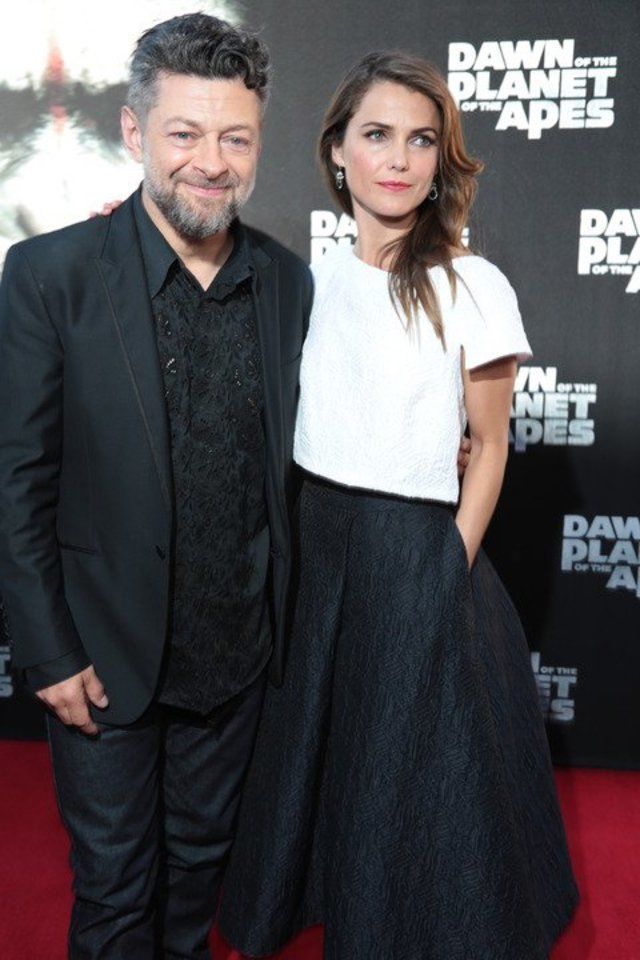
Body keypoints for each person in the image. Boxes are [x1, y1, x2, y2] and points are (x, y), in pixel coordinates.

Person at [218, 51, 578, 960]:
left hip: (414, 551)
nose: (399, 159)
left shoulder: (472, 285)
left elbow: (488, 447)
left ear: (440, 161)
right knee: (324, 755)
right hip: (317, 546)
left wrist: (446, 565)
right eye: (377, 135)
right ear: (337, 150)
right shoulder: (314, 278)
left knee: (411, 780)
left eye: (421, 141)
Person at [0, 13, 314, 959]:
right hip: (102, 663)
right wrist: (49, 653)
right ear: (134, 132)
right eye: (185, 133)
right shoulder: (49, 275)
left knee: (194, 892)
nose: (211, 163)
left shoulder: (289, 283)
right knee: (115, 895)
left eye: (235, 138)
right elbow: (17, 479)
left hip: (235, 666)